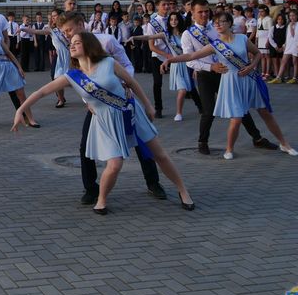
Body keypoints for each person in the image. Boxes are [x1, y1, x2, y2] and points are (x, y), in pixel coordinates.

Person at [13, 32, 195, 214]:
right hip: (105, 122)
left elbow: (131, 82)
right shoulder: (72, 76)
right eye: (71, 43)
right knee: (115, 165)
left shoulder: (108, 63)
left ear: (89, 45)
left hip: (130, 112)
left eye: (77, 42)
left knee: (160, 155)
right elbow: (41, 92)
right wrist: (21, 110)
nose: (72, 45)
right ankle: (101, 199)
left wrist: (148, 105)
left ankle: (182, 190)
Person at [60, 12, 166, 205]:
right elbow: (77, 78)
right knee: (85, 146)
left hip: (122, 101)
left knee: (142, 142)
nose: (67, 35)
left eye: (68, 30)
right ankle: (91, 189)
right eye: (64, 32)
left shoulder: (106, 41)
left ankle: (153, 183)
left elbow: (125, 64)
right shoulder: (74, 48)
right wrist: (88, 103)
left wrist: (125, 84)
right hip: (98, 106)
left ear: (81, 24)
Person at [164, 11, 298, 160]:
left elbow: (258, 54)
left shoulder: (242, 38)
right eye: (216, 23)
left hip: (249, 79)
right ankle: (229, 149)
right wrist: (170, 60)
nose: (218, 25)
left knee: (265, 112)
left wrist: (251, 66)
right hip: (231, 81)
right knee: (236, 119)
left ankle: (284, 143)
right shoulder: (215, 45)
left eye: (222, 22)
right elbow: (190, 56)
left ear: (229, 23)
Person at [182, 0, 281, 155]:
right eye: (200, 11)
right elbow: (190, 59)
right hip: (206, 74)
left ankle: (257, 138)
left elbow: (235, 42)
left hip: (227, 74)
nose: (204, 14)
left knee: (240, 107)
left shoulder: (217, 27)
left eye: (206, 11)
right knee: (208, 110)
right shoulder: (188, 34)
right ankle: (202, 141)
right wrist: (210, 66)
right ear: (192, 13)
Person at [19, 9, 68, 107]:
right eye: (52, 16)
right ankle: (61, 99)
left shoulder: (67, 27)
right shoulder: (51, 30)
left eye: (55, 16)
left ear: (61, 16)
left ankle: (89, 99)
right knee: (57, 79)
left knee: (78, 80)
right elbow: (36, 31)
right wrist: (23, 29)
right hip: (60, 59)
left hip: (71, 57)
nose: (53, 18)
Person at [161, 11, 201, 122]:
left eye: (176, 19)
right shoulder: (167, 34)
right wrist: (134, 38)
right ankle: (178, 113)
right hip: (176, 66)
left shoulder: (186, 33)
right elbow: (149, 36)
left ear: (179, 20)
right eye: (171, 19)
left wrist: (196, 67)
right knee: (182, 90)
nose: (173, 21)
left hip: (188, 63)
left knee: (192, 87)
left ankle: (202, 107)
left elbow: (194, 50)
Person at [268, 10, 298, 84]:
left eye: (293, 15)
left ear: (297, 16)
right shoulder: (288, 25)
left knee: (295, 61)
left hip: (295, 45)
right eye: (290, 16)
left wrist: (292, 27)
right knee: (283, 61)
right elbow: (287, 37)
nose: (292, 17)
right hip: (288, 45)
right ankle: (278, 77)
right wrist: (284, 45)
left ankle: (294, 78)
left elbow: (294, 35)